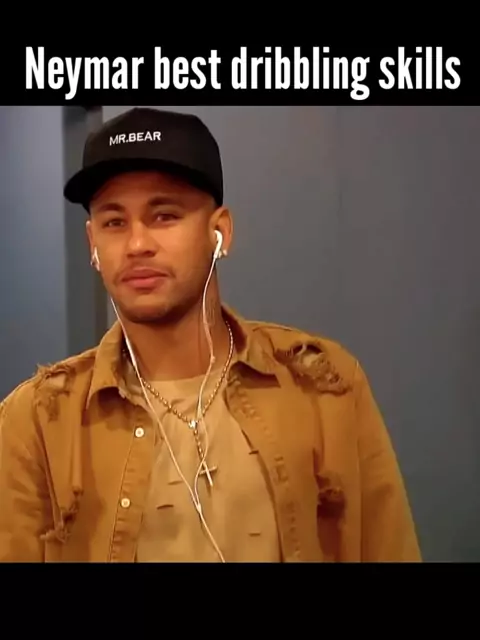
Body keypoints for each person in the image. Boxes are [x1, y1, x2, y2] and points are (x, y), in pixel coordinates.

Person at [0, 107, 421, 562]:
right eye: (114, 222)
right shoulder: (38, 421)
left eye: (164, 215)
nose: (137, 245)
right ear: (93, 245)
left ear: (219, 232)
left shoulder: (323, 387)